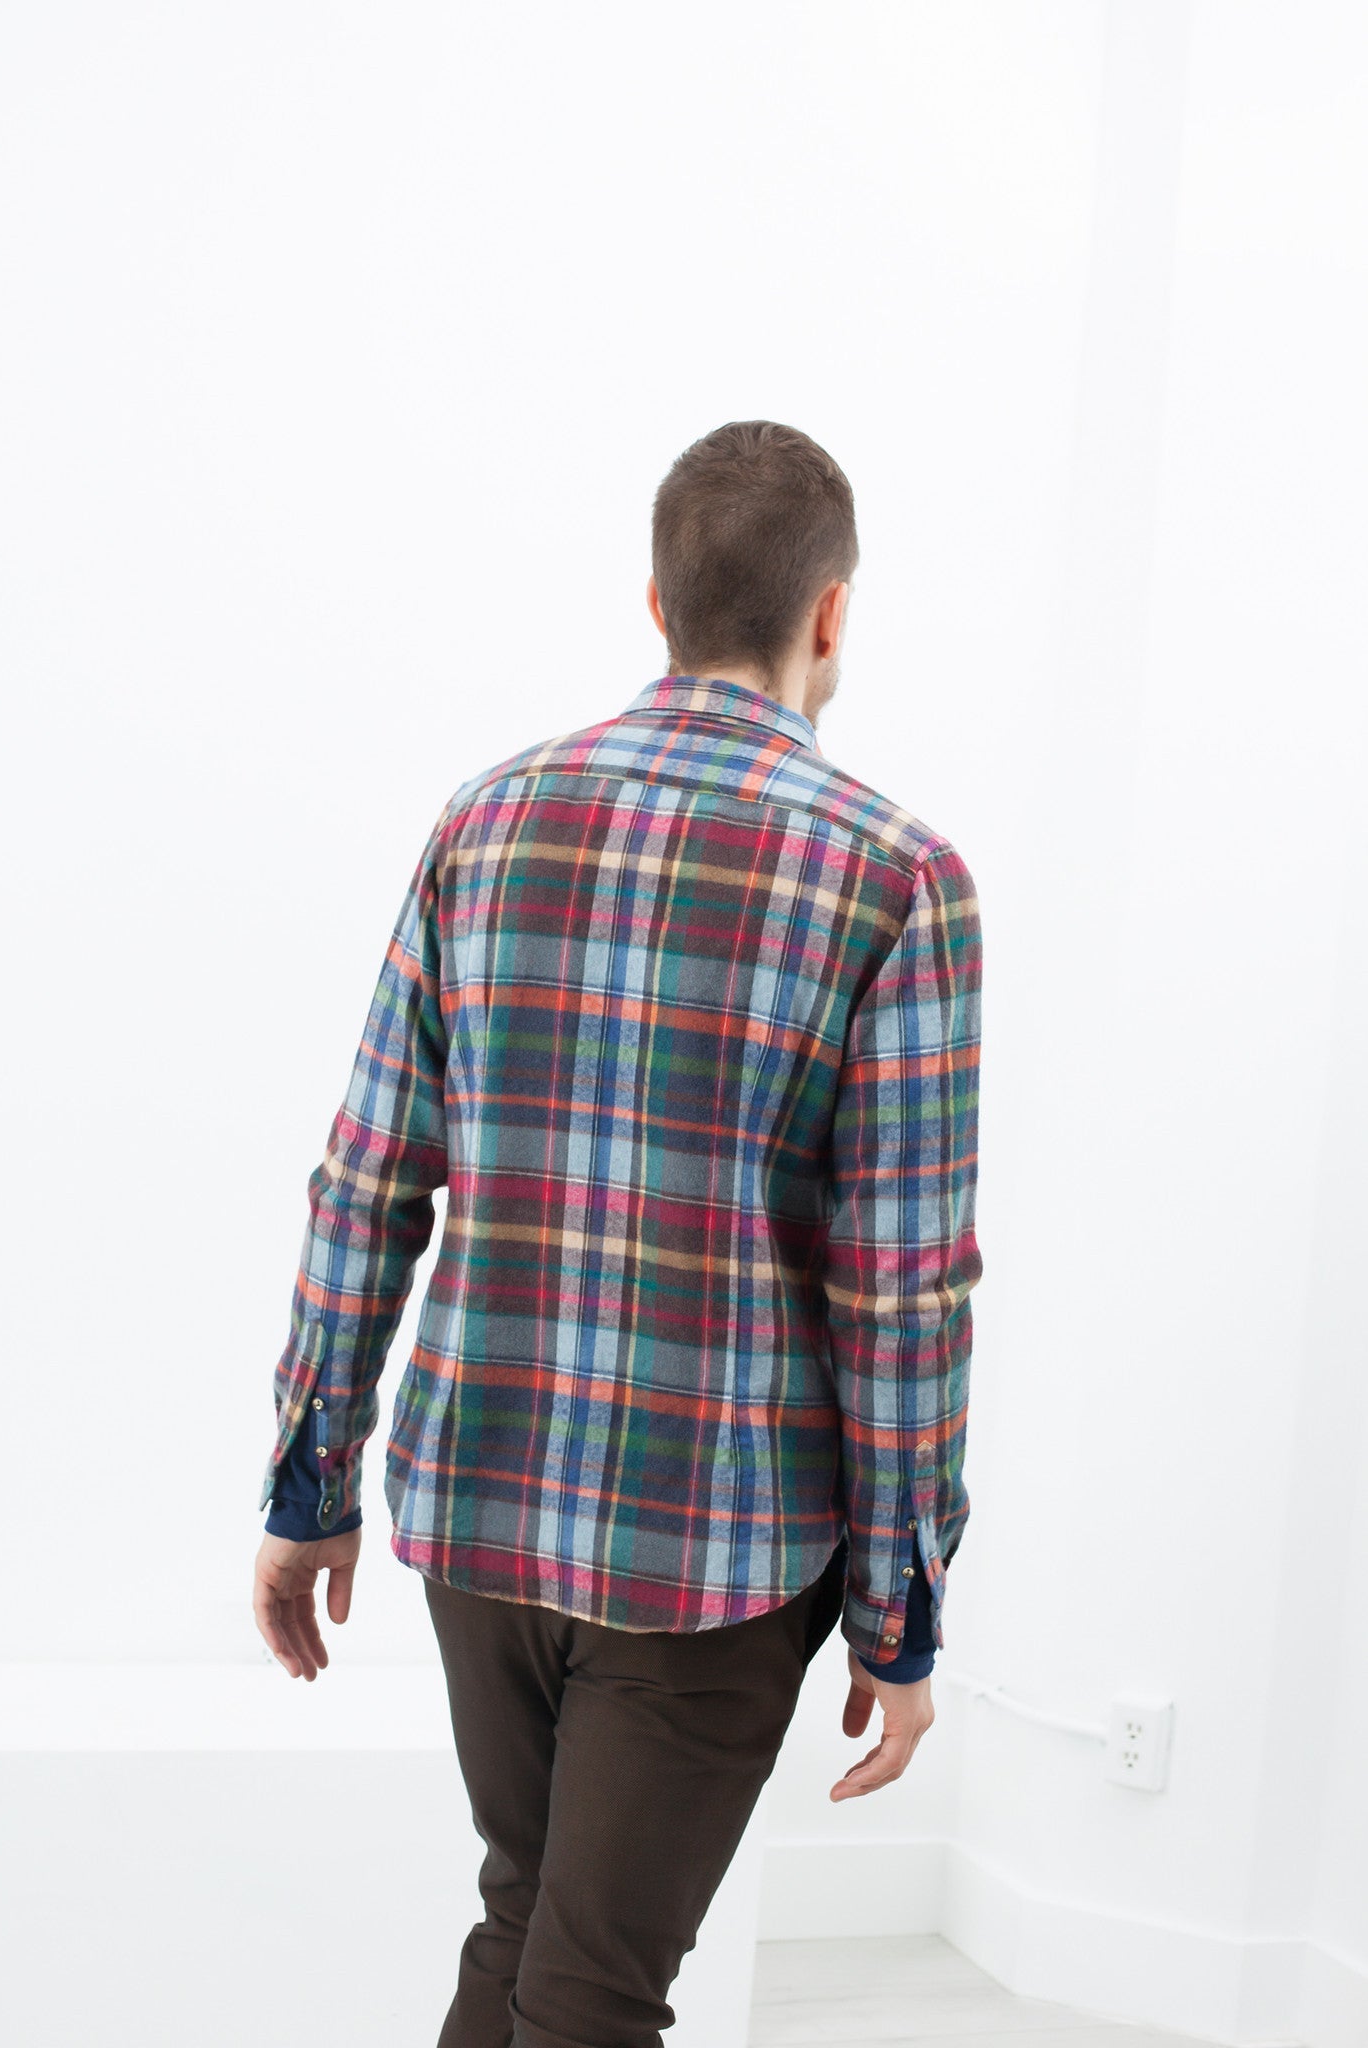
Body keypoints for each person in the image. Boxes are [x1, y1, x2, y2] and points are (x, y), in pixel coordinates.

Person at [251, 419, 983, 2048]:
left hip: (480, 1510)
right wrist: (899, 1610)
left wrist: (312, 1483)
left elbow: (368, 1177)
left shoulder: (487, 819)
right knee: (586, 1984)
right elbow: (901, 1291)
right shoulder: (895, 875)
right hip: (708, 1549)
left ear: (656, 605)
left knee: (534, 1926)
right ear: (832, 613)